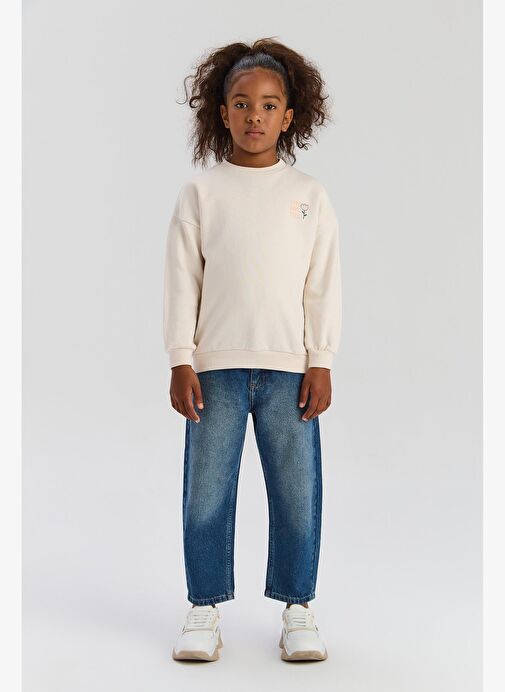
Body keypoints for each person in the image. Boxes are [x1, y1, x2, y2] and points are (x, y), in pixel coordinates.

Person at [164, 38, 342, 662]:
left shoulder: (309, 196)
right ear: (222, 112)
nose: (255, 116)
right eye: (241, 103)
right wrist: (180, 357)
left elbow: (321, 284)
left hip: (290, 370)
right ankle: (203, 608)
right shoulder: (201, 194)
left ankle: (298, 608)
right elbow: (183, 280)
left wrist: (321, 359)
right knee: (206, 491)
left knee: (297, 492)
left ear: (289, 116)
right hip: (215, 369)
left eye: (268, 105)